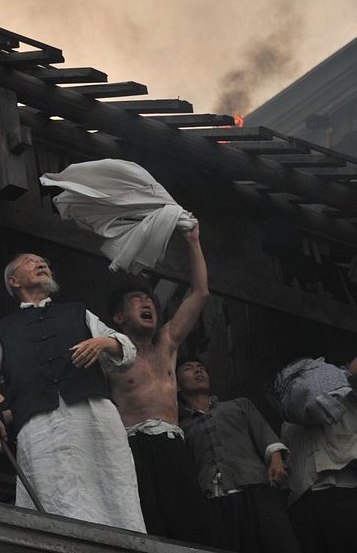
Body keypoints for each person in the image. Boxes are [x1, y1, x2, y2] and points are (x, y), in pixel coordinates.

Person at [0, 253, 144, 530]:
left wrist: (104, 342)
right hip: (39, 428)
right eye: (31, 261)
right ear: (13, 280)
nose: (42, 263)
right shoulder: (2, 331)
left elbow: (128, 352)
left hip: (94, 418)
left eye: (44, 261)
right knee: (52, 494)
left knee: (112, 486)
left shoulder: (78, 312)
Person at [106, 224, 212, 544]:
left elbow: (200, 292)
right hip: (133, 447)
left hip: (171, 442)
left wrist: (193, 241)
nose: (147, 303)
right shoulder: (109, 354)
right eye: (137, 300)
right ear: (119, 317)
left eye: (149, 299)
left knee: (190, 527)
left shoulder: (166, 343)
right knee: (147, 528)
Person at [177, 359, 301, 553]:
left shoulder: (239, 406)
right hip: (215, 504)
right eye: (189, 368)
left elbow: (265, 436)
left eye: (201, 368)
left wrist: (276, 462)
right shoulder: (182, 429)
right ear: (176, 385)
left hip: (256, 491)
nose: (198, 371)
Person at [281, 349, 357, 553]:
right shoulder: (288, 420)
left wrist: (334, 378)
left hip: (341, 491)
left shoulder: (349, 391)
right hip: (302, 502)